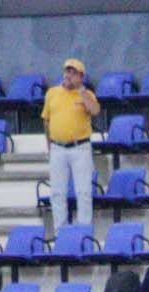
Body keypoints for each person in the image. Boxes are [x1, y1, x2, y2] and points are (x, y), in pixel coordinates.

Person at [40, 59, 100, 231]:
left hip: (80, 147)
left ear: (81, 76)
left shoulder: (87, 94)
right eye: (67, 71)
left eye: (74, 73)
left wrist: (81, 91)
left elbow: (95, 110)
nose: (69, 76)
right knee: (57, 192)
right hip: (57, 148)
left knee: (84, 192)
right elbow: (46, 120)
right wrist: (49, 145)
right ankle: (61, 232)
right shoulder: (52, 93)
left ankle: (84, 231)